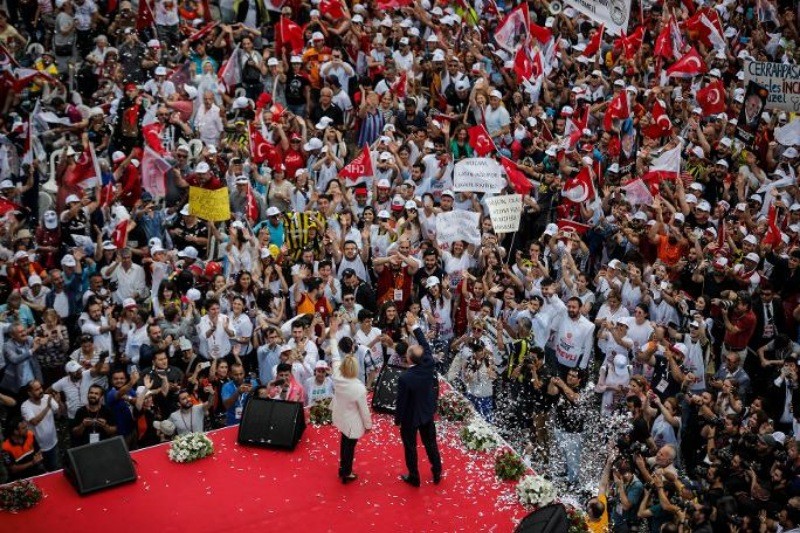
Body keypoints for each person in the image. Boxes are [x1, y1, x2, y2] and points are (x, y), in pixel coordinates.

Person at [395, 311, 442, 487]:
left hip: (409, 418)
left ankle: (414, 477)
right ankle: (437, 471)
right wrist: (414, 326)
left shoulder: (405, 378)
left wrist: (398, 419)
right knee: (431, 445)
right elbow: (424, 345)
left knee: (410, 447)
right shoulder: (428, 363)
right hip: (427, 413)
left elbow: (401, 401)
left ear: (409, 358)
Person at [328, 316, 372, 483]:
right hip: (352, 422)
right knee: (349, 447)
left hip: (340, 417)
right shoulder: (359, 388)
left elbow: (334, 356)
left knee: (343, 443)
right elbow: (364, 410)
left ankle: (343, 469)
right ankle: (346, 472)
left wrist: (332, 335)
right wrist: (368, 426)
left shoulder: (338, 374)